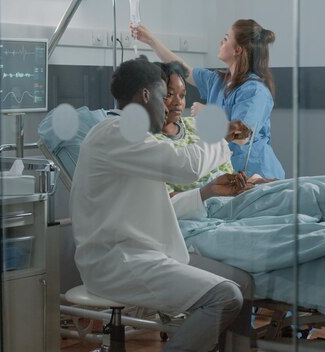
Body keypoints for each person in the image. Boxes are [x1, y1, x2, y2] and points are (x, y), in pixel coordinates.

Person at [69, 56, 254, 351]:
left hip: (146, 253)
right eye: (163, 95)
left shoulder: (134, 137)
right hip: (118, 262)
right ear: (145, 95)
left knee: (243, 283)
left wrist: (205, 193)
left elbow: (159, 206)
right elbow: (188, 166)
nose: (168, 105)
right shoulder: (116, 134)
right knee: (226, 296)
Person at [134, 19, 285, 180]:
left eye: (226, 38)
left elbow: (242, 135)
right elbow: (182, 68)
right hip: (228, 174)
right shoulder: (218, 81)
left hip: (257, 175)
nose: (221, 42)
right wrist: (150, 40)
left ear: (238, 50)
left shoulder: (255, 91)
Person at [154, 60, 236, 194]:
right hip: (208, 206)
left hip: (235, 195)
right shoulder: (152, 143)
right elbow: (168, 200)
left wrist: (250, 182)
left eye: (182, 95)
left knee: (279, 190)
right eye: (169, 94)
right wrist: (209, 192)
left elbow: (228, 170)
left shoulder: (195, 125)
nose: (178, 102)